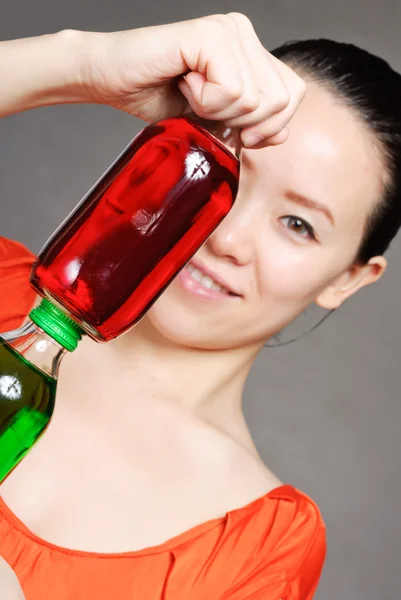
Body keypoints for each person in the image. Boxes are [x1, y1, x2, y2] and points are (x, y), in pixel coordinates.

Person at [0, 12, 400, 600]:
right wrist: (80, 63)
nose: (223, 235)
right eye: (225, 173)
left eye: (297, 224)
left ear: (347, 279)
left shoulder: (261, 550)